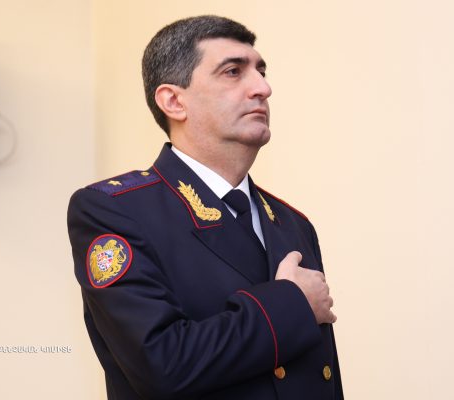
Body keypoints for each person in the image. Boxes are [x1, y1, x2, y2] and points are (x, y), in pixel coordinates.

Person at [67, 15, 344, 400]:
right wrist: (292, 304)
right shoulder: (115, 211)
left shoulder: (293, 223)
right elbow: (162, 365)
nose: (262, 88)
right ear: (174, 101)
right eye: (233, 72)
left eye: (261, 72)